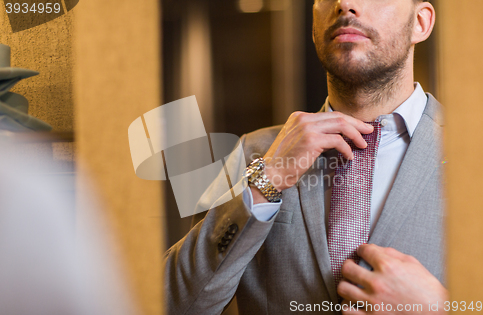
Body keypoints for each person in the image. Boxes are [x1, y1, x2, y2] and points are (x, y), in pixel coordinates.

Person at [165, 0, 448, 314]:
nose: (345, 4)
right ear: (314, 27)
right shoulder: (252, 153)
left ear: (420, 22)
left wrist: (444, 308)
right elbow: (172, 304)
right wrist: (265, 183)